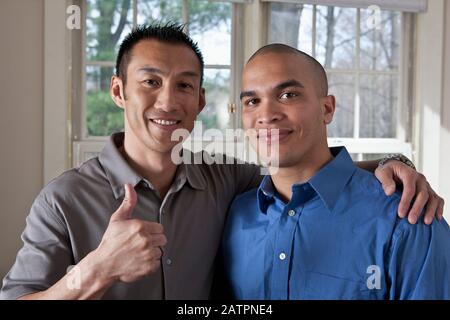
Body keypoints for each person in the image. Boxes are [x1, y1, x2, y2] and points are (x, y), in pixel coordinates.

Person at [0, 24, 443, 300]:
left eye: (185, 86)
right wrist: (94, 272)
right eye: (150, 82)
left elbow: (303, 174)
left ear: (201, 101)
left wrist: (393, 163)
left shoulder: (229, 185)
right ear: (118, 91)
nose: (168, 100)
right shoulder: (62, 199)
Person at [222, 44, 450, 300]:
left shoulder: (409, 220)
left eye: (288, 95)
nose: (266, 115)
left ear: (327, 109)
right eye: (253, 101)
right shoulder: (235, 216)